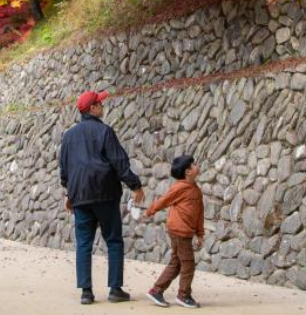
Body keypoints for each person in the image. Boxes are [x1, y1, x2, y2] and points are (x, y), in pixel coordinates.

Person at [59, 90, 144, 305]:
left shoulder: (68, 136)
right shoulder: (105, 132)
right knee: (114, 240)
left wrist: (69, 193)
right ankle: (115, 289)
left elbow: (65, 169)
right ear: (92, 108)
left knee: (84, 243)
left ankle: (86, 292)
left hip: (80, 196)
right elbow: (119, 162)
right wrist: (135, 186)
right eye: (100, 103)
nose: (103, 107)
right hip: (105, 194)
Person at [144, 155, 204, 309]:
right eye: (194, 164)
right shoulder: (180, 187)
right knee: (188, 263)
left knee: (176, 263)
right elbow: (164, 200)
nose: (197, 166)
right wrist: (149, 211)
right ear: (188, 171)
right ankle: (184, 295)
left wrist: (200, 233)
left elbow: (199, 213)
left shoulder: (195, 189)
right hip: (179, 231)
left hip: (185, 231)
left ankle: (156, 290)